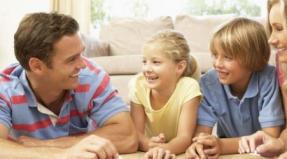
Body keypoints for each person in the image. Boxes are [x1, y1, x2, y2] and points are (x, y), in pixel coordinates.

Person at [0, 12, 138, 158]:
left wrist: (48, 145)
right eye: (71, 59)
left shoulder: (91, 76)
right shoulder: (5, 89)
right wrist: (61, 155)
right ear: (37, 66)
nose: (83, 64)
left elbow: (128, 137)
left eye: (81, 54)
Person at [185, 17, 285, 159]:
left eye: (227, 57)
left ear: (253, 58)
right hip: (228, 142)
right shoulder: (208, 83)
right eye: (215, 55)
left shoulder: (268, 78)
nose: (217, 64)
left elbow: (269, 137)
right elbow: (202, 132)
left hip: (258, 150)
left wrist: (222, 146)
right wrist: (199, 145)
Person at [128, 30, 201, 159]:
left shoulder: (189, 87)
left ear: (179, 67)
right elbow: (136, 133)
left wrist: (163, 149)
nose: (147, 69)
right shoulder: (137, 85)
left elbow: (184, 137)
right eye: (144, 62)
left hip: (174, 146)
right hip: (151, 144)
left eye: (156, 62)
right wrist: (148, 144)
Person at [238, 0, 287, 158]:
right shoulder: (283, 65)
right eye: (271, 29)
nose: (271, 39)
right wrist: (280, 143)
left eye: (279, 28)